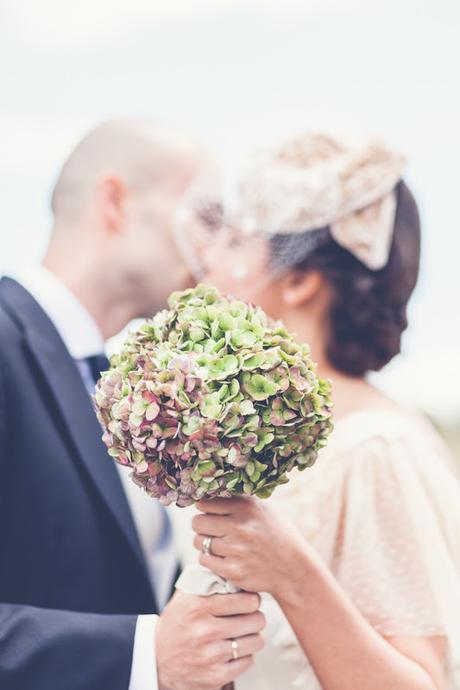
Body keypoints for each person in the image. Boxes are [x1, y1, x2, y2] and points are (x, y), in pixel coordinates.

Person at [180, 133, 460, 689]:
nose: (204, 266)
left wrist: (293, 576)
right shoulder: (258, 445)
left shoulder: (377, 449)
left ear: (303, 280)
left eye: (236, 244)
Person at [0, 120, 265, 690]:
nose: (218, 249)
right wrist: (143, 655)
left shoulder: (129, 393)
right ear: (115, 201)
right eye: (208, 216)